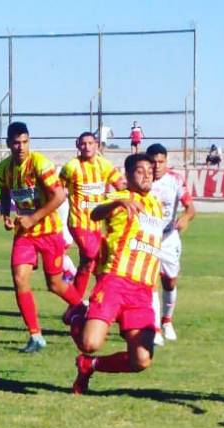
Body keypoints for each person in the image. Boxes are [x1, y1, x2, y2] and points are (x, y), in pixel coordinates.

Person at [71, 153, 164, 394]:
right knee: (90, 343)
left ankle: (89, 365)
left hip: (142, 290)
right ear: (128, 175)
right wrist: (117, 203)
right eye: (140, 171)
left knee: (141, 360)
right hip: (115, 281)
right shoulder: (120, 197)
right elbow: (95, 213)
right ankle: (77, 315)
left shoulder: (157, 206)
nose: (146, 176)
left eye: (150, 172)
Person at [0, 121, 83, 353]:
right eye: (16, 143)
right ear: (8, 143)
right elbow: (5, 191)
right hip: (25, 234)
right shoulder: (4, 168)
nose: (21, 147)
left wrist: (33, 218)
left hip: (49, 232)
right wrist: (6, 214)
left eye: (25, 142)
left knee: (55, 284)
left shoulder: (40, 164)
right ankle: (35, 336)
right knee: (19, 279)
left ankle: (83, 308)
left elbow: (59, 196)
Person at [58, 131, 126, 307]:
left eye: (90, 143)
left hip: (96, 224)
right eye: (83, 143)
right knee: (93, 255)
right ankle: (98, 299)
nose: (87, 147)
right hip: (78, 223)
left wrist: (122, 200)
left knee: (87, 264)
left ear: (97, 145)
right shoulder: (71, 167)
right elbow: (56, 189)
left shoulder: (104, 165)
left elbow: (121, 186)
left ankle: (75, 306)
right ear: (78, 145)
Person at [146, 143, 195, 343]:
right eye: (153, 162)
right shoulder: (141, 179)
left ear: (166, 161)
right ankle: (155, 329)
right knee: (150, 283)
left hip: (168, 238)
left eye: (161, 161)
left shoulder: (175, 180)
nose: (157, 166)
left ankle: (167, 321)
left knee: (170, 282)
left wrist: (185, 218)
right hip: (146, 239)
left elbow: (190, 207)